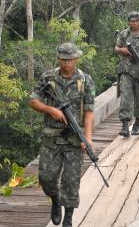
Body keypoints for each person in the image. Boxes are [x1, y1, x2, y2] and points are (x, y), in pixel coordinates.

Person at [29, 43, 96, 227]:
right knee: (46, 178)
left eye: (71, 59)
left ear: (76, 59)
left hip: (74, 139)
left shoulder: (85, 80)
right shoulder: (48, 78)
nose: (68, 63)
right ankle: (55, 198)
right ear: (59, 59)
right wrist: (50, 110)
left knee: (71, 180)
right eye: (64, 60)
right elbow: (33, 101)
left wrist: (88, 139)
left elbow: (89, 111)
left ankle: (68, 216)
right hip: (51, 137)